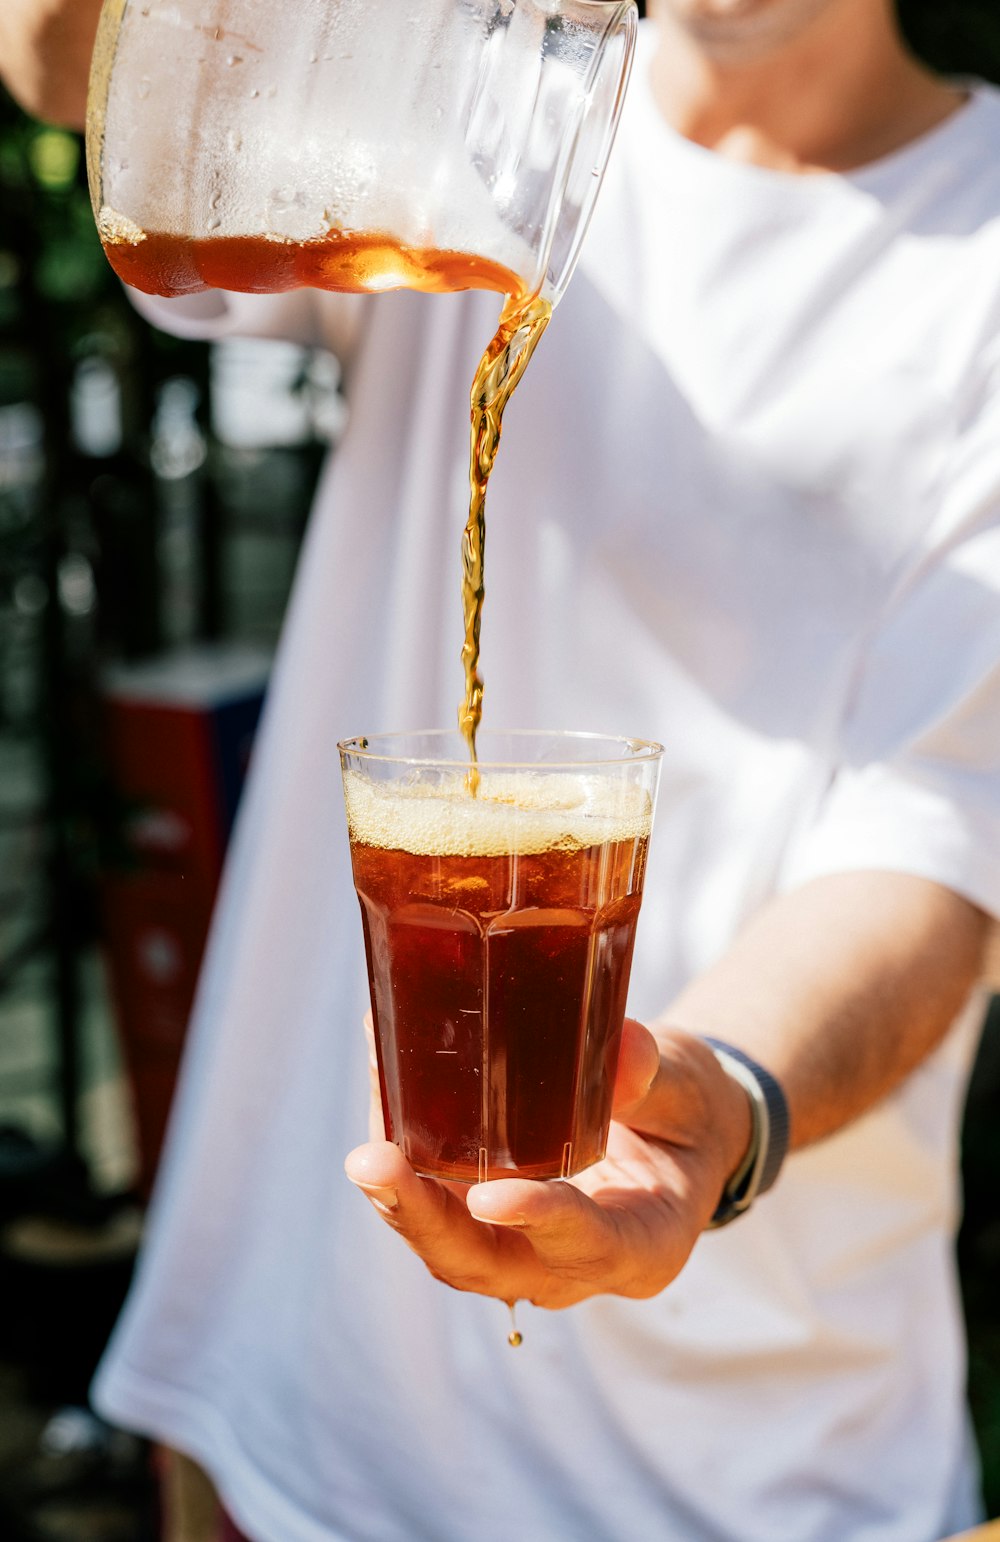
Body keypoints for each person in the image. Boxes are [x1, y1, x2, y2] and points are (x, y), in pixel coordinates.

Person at [4, 0, 1000, 1537]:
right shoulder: (476, 110)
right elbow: (72, 61)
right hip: (292, 1401)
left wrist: (709, 1106)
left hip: (748, 1477)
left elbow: (940, 841)